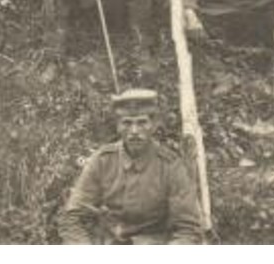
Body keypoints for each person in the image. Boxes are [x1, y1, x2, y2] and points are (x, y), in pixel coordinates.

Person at [60, 88, 204, 245]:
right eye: (127, 123)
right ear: (117, 126)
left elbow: (188, 229)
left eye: (142, 122)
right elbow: (73, 217)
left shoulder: (170, 166)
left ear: (154, 125)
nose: (134, 131)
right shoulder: (102, 160)